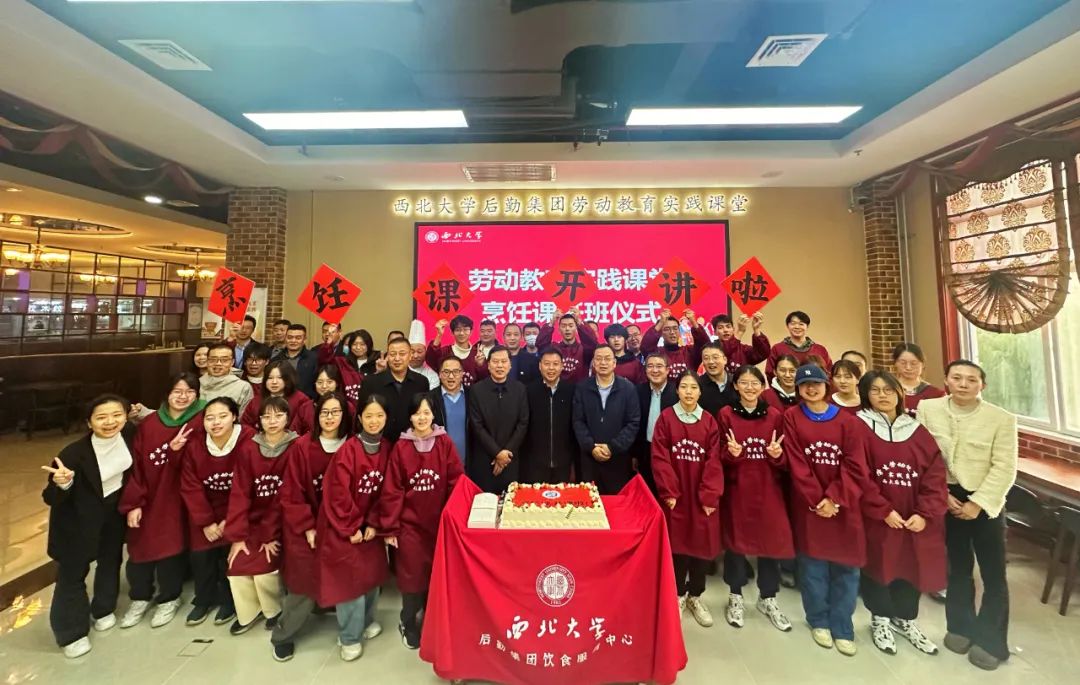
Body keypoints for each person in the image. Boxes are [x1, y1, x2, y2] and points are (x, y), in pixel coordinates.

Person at [917, 360, 1017, 671]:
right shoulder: (928, 409)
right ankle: (960, 627)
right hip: (945, 496)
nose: (963, 384)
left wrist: (978, 503)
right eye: (957, 378)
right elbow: (922, 457)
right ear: (945, 381)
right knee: (957, 568)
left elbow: (1005, 467)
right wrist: (941, 494)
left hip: (986, 500)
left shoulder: (1001, 419)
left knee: (993, 574)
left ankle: (991, 641)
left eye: (971, 380)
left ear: (982, 385)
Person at [856, 371, 947, 656]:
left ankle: (905, 619)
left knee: (910, 564)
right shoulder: (859, 427)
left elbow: (935, 476)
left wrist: (924, 513)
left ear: (899, 392)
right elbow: (858, 473)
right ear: (866, 395)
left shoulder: (917, 431)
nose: (882, 395)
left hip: (912, 516)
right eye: (875, 390)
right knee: (878, 565)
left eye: (888, 389)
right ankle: (880, 620)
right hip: (878, 516)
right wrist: (882, 509)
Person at [783, 363, 868, 657]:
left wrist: (834, 498)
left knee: (847, 567)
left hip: (843, 505)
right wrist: (817, 499)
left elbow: (855, 465)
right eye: (805, 384)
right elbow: (796, 462)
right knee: (813, 567)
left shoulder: (848, 422)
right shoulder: (792, 417)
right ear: (798, 389)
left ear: (826, 385)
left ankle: (843, 625)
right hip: (810, 506)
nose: (811, 388)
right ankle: (818, 619)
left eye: (816, 383)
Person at [41, 394, 134, 658]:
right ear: (89, 422)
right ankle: (71, 633)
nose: (110, 422)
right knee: (73, 574)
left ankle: (103, 609)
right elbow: (50, 497)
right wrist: (63, 483)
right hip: (77, 521)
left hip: (112, 512)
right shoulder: (72, 454)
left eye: (116, 415)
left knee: (110, 560)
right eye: (101, 417)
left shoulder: (130, 435)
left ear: (126, 417)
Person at [117, 373, 205, 630]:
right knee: (140, 546)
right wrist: (135, 502)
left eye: (189, 391)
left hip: (181, 497)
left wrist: (176, 453)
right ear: (167, 393)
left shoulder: (201, 421)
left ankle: (169, 598)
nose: (183, 396)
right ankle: (140, 597)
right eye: (177, 391)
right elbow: (136, 466)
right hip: (149, 495)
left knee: (171, 546)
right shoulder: (150, 424)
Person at [378, 394, 464, 649]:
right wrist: (391, 527)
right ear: (410, 417)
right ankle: (408, 622)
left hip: (438, 524)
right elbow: (392, 490)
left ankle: (430, 620)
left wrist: (454, 518)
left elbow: (455, 481)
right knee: (412, 577)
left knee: (436, 575)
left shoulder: (444, 443)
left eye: (427, 413)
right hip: (410, 527)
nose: (422, 418)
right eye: (417, 414)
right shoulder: (401, 448)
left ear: (434, 415)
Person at [271, 392, 351, 661]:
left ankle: (342, 618)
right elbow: (291, 493)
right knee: (304, 582)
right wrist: (308, 527)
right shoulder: (302, 447)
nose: (330, 417)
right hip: (307, 527)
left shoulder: (351, 445)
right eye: (325, 412)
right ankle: (283, 634)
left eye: (336, 412)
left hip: (341, 526)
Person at [716, 366, 793, 632]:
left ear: (763, 387)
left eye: (754, 383)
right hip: (737, 489)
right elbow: (717, 456)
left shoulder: (775, 416)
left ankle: (768, 597)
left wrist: (777, 456)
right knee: (736, 544)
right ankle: (735, 596)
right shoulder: (726, 414)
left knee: (769, 543)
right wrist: (732, 454)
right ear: (735, 386)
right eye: (744, 383)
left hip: (768, 489)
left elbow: (786, 459)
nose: (749, 388)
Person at [318, 395, 392, 662]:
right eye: (368, 416)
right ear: (359, 418)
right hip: (343, 526)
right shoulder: (348, 451)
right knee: (349, 584)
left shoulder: (387, 448)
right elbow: (338, 493)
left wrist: (373, 522)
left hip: (369, 527)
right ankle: (349, 637)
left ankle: (367, 621)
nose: (374, 421)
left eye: (379, 416)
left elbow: (387, 491)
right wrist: (352, 527)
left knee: (371, 576)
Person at [651, 371, 724, 628]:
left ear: (700, 392)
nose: (689, 392)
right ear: (677, 390)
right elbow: (660, 457)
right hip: (677, 496)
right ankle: (679, 594)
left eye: (693, 387)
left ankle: (696, 596)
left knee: (701, 546)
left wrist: (709, 494)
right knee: (678, 545)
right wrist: (669, 491)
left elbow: (714, 461)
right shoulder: (666, 419)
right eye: (684, 387)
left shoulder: (709, 422)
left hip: (702, 496)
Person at [224, 396, 299, 636]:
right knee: (238, 562)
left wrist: (269, 534)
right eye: (266, 416)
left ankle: (273, 610)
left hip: (285, 522)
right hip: (254, 522)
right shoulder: (249, 448)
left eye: (278, 415)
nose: (272, 421)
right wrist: (238, 535)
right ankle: (249, 612)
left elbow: (288, 495)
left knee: (265, 565)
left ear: (288, 418)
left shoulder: (297, 447)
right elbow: (240, 493)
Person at [180, 397, 251, 627]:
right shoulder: (195, 445)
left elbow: (249, 484)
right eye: (210, 418)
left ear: (234, 416)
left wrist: (230, 519)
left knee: (229, 553)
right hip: (206, 509)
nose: (216, 422)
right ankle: (203, 599)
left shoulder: (248, 440)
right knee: (201, 554)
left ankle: (229, 600)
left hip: (239, 508)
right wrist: (206, 521)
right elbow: (190, 485)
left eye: (222, 416)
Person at [572, 344, 641, 494]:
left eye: (607, 359)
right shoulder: (582, 388)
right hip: (589, 459)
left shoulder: (628, 389)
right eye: (599, 359)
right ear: (593, 363)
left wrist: (612, 447)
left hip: (618, 459)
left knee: (616, 503)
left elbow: (633, 423)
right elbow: (578, 421)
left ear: (614, 363)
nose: (603, 363)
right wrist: (591, 447)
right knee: (589, 501)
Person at [468, 345, 529, 493]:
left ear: (510, 365)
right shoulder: (477, 390)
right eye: (495, 362)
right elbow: (477, 426)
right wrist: (497, 453)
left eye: (504, 361)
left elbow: (523, 423)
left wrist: (505, 453)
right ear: (488, 365)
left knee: (510, 501)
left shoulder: (520, 389)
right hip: (485, 459)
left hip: (510, 459)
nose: (499, 365)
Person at [521, 348, 578, 483]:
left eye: (555, 364)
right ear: (540, 366)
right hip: (534, 462)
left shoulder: (571, 391)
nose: (551, 368)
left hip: (563, 461)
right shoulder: (529, 391)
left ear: (562, 366)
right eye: (547, 364)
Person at [359, 338, 431, 443]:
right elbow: (361, 415)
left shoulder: (421, 382)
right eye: (392, 354)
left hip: (412, 443)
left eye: (402, 354)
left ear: (410, 355)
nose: (397, 358)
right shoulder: (370, 382)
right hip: (379, 444)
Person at [634, 352, 677, 492]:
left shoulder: (676, 393)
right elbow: (634, 425)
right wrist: (634, 454)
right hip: (645, 451)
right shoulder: (638, 391)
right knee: (646, 491)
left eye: (659, 366)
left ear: (667, 370)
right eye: (650, 366)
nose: (655, 370)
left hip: (669, 453)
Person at [240, 360, 314, 436]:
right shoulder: (256, 401)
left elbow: (308, 428)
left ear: (288, 379)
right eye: (270, 378)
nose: (274, 382)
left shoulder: (301, 400)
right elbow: (245, 425)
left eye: (279, 378)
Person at [640, 308, 709, 380]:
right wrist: (661, 322)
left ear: (679, 331)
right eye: (667, 329)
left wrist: (693, 322)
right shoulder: (657, 353)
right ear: (661, 333)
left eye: (675, 328)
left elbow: (706, 346)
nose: (672, 332)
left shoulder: (690, 352)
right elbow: (645, 346)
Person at [535, 308, 598, 383]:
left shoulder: (584, 349)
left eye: (571, 326)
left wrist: (579, 321)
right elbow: (540, 344)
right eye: (564, 326)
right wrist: (551, 322)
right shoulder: (554, 348)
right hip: (558, 388)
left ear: (576, 328)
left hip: (579, 389)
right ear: (559, 330)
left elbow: (592, 343)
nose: (567, 329)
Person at [766, 311, 833, 380]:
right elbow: (770, 373)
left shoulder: (820, 349)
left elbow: (829, 372)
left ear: (807, 326)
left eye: (801, 324)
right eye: (793, 323)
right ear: (787, 326)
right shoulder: (777, 349)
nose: (797, 327)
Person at [427, 356, 469, 465]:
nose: (451, 376)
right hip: (439, 461)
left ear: (462, 373)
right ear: (439, 374)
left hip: (469, 462)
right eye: (446, 372)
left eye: (456, 372)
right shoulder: (430, 398)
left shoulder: (472, 396)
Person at [426, 315, 487, 388]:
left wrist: (480, 365)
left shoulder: (477, 354)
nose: (462, 333)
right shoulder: (445, 352)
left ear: (471, 332)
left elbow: (484, 379)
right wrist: (439, 335)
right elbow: (430, 359)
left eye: (465, 329)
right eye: (458, 330)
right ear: (452, 332)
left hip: (471, 394)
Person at [893, 343, 945, 417]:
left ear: (922, 364)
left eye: (913, 363)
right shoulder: (888, 390)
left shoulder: (936, 394)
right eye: (903, 363)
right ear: (895, 363)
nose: (908, 367)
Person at [201, 343, 254, 413]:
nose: (218, 363)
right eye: (213, 359)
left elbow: (245, 416)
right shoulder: (197, 383)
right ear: (207, 361)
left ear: (232, 362)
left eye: (224, 360)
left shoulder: (243, 387)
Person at [273, 323, 319, 399]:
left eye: (298, 338)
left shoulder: (314, 358)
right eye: (290, 337)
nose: (293, 341)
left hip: (306, 401)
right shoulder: (276, 359)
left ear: (304, 340)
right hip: (280, 401)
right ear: (285, 338)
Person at [699, 342, 740, 415]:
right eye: (706, 358)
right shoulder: (697, 385)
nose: (711, 362)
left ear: (725, 360)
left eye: (715, 357)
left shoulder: (737, 382)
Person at [337, 329, 377, 403]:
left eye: (362, 344)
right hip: (348, 404)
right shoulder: (344, 362)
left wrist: (380, 371)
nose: (358, 347)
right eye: (354, 344)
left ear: (369, 345)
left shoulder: (376, 362)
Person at [406, 320, 440, 389]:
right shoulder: (400, 371)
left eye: (419, 352)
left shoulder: (432, 375)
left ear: (425, 352)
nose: (415, 356)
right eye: (412, 351)